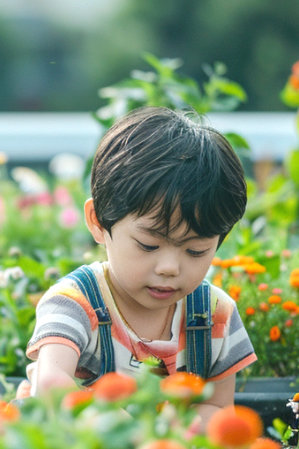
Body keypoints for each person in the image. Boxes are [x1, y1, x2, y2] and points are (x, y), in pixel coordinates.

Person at [25, 106, 256, 424]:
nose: (169, 267)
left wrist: (177, 436)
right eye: (149, 245)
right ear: (98, 222)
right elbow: (51, 385)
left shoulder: (215, 315)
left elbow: (218, 408)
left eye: (195, 251)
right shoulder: (75, 304)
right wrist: (112, 421)